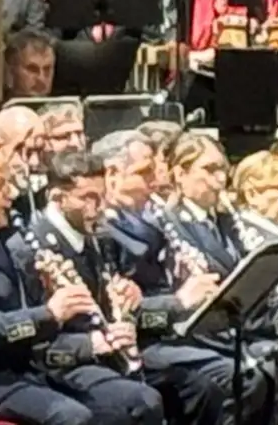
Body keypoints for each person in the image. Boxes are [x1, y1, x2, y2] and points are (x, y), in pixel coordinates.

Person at [0, 143, 155, 425]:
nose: (11, 194)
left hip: (19, 369)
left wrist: (49, 291)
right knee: (72, 417)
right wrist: (49, 312)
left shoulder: (0, 240)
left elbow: (23, 309)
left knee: (133, 403)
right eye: (0, 185)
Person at [16, 143, 238, 425]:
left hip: (115, 350)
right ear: (58, 198)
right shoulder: (31, 249)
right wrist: (92, 343)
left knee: (200, 386)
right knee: (141, 401)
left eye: (100, 197)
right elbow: (33, 337)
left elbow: (123, 306)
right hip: (67, 360)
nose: (97, 207)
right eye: (87, 198)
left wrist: (127, 313)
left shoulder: (99, 236)